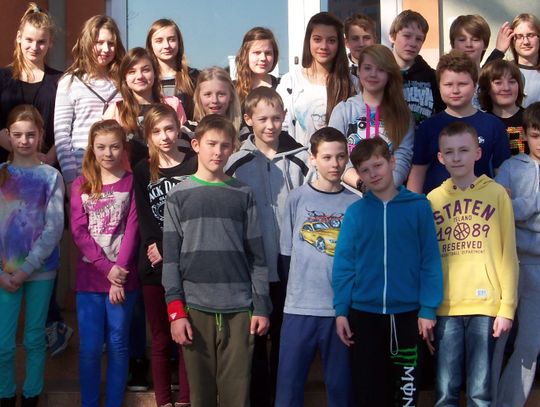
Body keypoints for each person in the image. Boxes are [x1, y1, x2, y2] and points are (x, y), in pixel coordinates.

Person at [162, 114, 271, 407]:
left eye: (225, 146)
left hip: (239, 310)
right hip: (195, 309)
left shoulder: (242, 193)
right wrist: (176, 311)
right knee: (201, 397)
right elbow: (170, 260)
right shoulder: (178, 196)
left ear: (233, 148)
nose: (218, 152)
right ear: (196, 145)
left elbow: (257, 257)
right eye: (211, 144)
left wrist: (261, 306)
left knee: (237, 397)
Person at [332, 137, 443, 407]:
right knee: (369, 394)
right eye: (365, 170)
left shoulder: (419, 207)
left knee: (405, 394)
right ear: (358, 175)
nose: (373, 173)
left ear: (392, 162)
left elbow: (430, 261)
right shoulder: (355, 213)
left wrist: (428, 308)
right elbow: (344, 264)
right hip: (364, 316)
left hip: (408, 317)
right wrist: (341, 310)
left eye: (378, 165)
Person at [225, 87, 310, 406]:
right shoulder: (236, 163)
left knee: (286, 341)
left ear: (285, 116)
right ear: (248, 119)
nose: (270, 125)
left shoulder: (302, 158)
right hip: (253, 268)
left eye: (276, 118)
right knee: (256, 341)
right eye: (262, 119)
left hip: (291, 266)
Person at [427, 121, 518, 406]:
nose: (457, 157)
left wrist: (507, 308)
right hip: (446, 306)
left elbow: (508, 255)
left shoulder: (497, 194)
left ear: (478, 153)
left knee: (479, 392)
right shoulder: (432, 200)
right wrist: (426, 307)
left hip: (485, 306)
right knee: (445, 392)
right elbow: (426, 260)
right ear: (440, 157)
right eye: (449, 152)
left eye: (464, 150)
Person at [0, 1, 72, 357]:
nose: (35, 47)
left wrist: (48, 158)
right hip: (8, 176)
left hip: (44, 175)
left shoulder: (60, 81)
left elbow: (64, 126)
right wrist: (14, 148)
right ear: (19, 37)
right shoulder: (2, 78)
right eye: (29, 40)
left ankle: (49, 322)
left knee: (43, 242)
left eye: (41, 41)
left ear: (50, 43)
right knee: (9, 243)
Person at [275, 127, 358, 407]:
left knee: (341, 388)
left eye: (341, 157)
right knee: (288, 389)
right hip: (299, 309)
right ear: (312, 159)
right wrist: (292, 297)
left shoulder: (355, 203)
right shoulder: (297, 198)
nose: (335, 164)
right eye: (327, 157)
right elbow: (286, 254)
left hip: (340, 311)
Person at [71, 119, 139, 407]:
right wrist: (107, 268)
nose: (108, 153)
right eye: (101, 147)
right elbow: (79, 231)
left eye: (114, 147)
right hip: (90, 280)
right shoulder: (81, 184)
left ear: (123, 148)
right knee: (89, 348)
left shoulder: (131, 182)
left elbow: (133, 228)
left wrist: (118, 274)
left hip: (123, 280)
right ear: (92, 148)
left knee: (118, 344)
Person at [0, 105, 64, 407]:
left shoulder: (50, 176)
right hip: (4, 273)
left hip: (40, 270)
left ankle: (31, 394)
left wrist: (26, 268)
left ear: (40, 135)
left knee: (35, 337)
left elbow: (54, 227)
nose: (24, 140)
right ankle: (4, 393)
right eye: (17, 134)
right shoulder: (2, 174)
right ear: (8, 136)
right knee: (3, 342)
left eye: (30, 134)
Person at [133, 104, 195, 407]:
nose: (165, 136)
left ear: (179, 127)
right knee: (159, 338)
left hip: (187, 263)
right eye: (156, 131)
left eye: (169, 128)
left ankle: (184, 400)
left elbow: (195, 218)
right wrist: (157, 245)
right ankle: (162, 401)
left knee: (186, 336)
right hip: (154, 263)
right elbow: (144, 217)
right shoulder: (143, 170)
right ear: (148, 136)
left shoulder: (194, 164)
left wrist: (172, 249)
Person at [407, 50, 510, 195]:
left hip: (481, 204)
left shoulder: (493, 125)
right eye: (448, 84)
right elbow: (418, 172)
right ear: (439, 86)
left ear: (475, 85)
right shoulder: (428, 127)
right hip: (436, 206)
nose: (455, 90)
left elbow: (502, 172)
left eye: (462, 84)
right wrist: (414, 204)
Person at [493, 102, 540, 407]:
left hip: (538, 267)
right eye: (536, 135)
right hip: (510, 263)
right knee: (496, 341)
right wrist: (530, 204)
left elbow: (512, 209)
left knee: (529, 345)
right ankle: (485, 400)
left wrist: (517, 208)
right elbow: (499, 211)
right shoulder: (511, 167)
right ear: (525, 135)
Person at [55, 15, 125, 193]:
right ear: (87, 43)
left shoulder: (123, 83)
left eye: (111, 43)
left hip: (117, 175)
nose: (106, 49)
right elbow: (62, 134)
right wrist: (71, 179)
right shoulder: (70, 82)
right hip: (82, 174)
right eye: (99, 42)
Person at [329, 44, 414, 189]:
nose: (373, 74)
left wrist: (386, 187)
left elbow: (403, 157)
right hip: (349, 193)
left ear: (389, 74)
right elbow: (334, 154)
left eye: (381, 69)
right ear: (359, 71)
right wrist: (361, 184)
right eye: (367, 68)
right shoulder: (343, 110)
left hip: (389, 193)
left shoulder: (403, 114)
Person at [277, 12, 357, 147]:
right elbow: (280, 127)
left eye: (331, 40)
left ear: (340, 44)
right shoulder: (291, 81)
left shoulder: (353, 84)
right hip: (299, 159)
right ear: (308, 41)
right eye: (317, 39)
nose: (324, 46)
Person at [103, 47, 187, 167]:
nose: (139, 76)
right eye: (132, 72)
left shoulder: (172, 104)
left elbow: (183, 142)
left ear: (155, 73)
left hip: (167, 174)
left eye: (146, 70)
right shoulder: (115, 110)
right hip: (130, 175)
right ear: (124, 77)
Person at [389, 9, 445, 126]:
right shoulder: (380, 73)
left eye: (418, 39)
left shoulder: (432, 77)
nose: (413, 43)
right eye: (407, 36)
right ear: (392, 36)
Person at [146, 19, 199, 120]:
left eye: (171, 39)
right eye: (159, 41)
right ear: (150, 45)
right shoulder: (146, 80)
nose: (166, 45)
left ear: (179, 42)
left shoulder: (194, 77)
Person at [234, 27, 280, 142]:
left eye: (268, 53)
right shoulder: (233, 89)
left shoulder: (282, 87)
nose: (263, 58)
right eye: (257, 53)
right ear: (245, 55)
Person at [488, 14, 540, 108]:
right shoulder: (503, 70)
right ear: (512, 40)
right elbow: (479, 85)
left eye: (531, 35)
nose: (526, 42)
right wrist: (499, 51)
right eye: (519, 36)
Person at [478, 59, 527, 155]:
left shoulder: (532, 119)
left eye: (512, 82)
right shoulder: (481, 123)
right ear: (486, 88)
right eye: (498, 83)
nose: (506, 88)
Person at [182, 67, 241, 137]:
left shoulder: (241, 129)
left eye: (221, 94)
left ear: (231, 96)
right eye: (208, 94)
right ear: (198, 97)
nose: (214, 100)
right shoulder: (188, 130)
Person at [344, 12, 377, 77]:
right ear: (346, 42)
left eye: (366, 38)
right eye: (355, 38)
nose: (361, 44)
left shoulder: (385, 70)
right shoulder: (337, 71)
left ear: (375, 40)